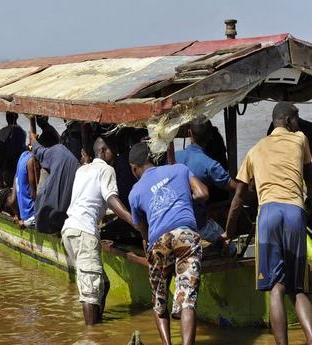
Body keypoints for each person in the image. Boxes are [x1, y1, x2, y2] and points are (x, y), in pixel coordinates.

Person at [225, 102, 312, 345]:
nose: (299, 124)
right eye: (296, 119)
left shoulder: (254, 150)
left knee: (276, 288)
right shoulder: (300, 141)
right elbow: (309, 178)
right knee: (298, 289)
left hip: (268, 214)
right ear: (288, 120)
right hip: (295, 211)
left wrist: (229, 231)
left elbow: (238, 197)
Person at [128, 142, 208, 345]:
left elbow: (143, 230)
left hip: (159, 242)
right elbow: (202, 193)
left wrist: (149, 249)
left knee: (159, 301)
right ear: (151, 158)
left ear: (133, 168)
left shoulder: (135, 192)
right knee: (187, 301)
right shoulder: (179, 169)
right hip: (186, 236)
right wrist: (185, 199)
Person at [61, 137, 133, 325]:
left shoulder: (82, 170)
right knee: (91, 293)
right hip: (84, 232)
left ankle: (99, 325)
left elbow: (92, 201)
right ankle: (92, 335)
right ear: (102, 151)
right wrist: (133, 220)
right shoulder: (106, 169)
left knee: (103, 284)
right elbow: (111, 199)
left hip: (69, 231)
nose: (115, 156)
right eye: (112, 151)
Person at [176, 120, 237, 255]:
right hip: (198, 224)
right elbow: (235, 188)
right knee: (232, 248)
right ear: (210, 136)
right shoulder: (211, 165)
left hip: (176, 222)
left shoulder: (175, 157)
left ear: (189, 132)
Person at [30, 131, 79, 234]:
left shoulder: (58, 151)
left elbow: (39, 152)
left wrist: (33, 139)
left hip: (43, 221)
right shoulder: (81, 164)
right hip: (63, 222)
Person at [11, 150, 40, 227]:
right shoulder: (33, 161)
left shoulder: (23, 155)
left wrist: (19, 215)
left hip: (24, 216)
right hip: (32, 216)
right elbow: (34, 194)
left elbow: (12, 200)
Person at [0, 112, 27, 186]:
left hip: (6, 168)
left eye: (8, 116)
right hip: (18, 166)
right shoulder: (23, 132)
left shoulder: (3, 131)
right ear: (17, 117)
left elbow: (0, 150)